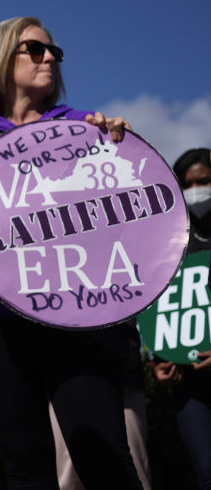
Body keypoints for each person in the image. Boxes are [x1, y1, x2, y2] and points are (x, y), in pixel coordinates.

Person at [0, 16, 143, 489]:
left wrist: (123, 151)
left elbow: (129, 213)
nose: (49, 56)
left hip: (75, 307)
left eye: (54, 52)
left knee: (102, 452)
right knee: (23, 460)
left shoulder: (85, 128)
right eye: (34, 49)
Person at [152, 148, 211, 489]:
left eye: (204, 181)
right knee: (206, 469)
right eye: (187, 184)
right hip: (189, 382)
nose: (196, 191)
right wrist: (159, 360)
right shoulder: (168, 240)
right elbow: (160, 305)